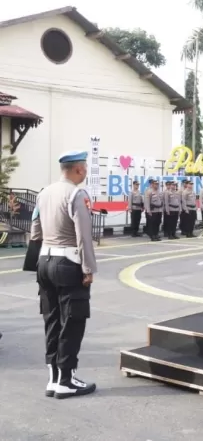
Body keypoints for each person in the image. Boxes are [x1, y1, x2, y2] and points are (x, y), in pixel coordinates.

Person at [26, 150, 98, 399]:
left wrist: (37, 258)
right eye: (85, 168)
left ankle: (53, 379)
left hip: (44, 261)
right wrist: (88, 269)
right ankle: (66, 379)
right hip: (68, 263)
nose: (86, 172)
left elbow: (35, 230)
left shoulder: (44, 192)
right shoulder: (77, 194)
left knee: (52, 320)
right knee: (73, 320)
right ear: (78, 169)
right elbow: (83, 236)